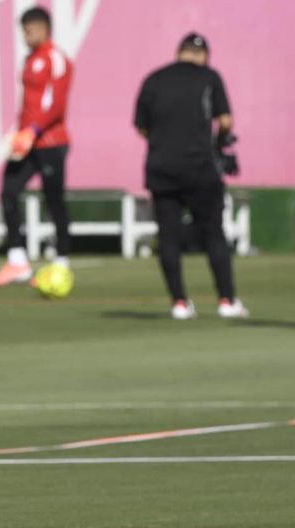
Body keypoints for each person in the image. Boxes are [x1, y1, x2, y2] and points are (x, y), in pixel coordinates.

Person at [134, 32, 248, 320]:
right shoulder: (209, 77)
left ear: (179, 52)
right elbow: (225, 121)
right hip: (200, 169)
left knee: (168, 237)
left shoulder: (154, 80)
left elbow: (142, 127)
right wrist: (220, 143)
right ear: (203, 55)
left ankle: (180, 304)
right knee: (213, 234)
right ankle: (226, 300)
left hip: (161, 168)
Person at [0, 6, 73, 287]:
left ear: (44, 28)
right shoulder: (29, 60)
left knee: (54, 199)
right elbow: (30, 105)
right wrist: (20, 133)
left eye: (30, 29)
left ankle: (61, 261)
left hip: (50, 142)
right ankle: (17, 260)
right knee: (8, 192)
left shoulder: (56, 59)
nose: (26, 35)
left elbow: (54, 104)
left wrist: (34, 130)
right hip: (27, 142)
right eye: (23, 30)